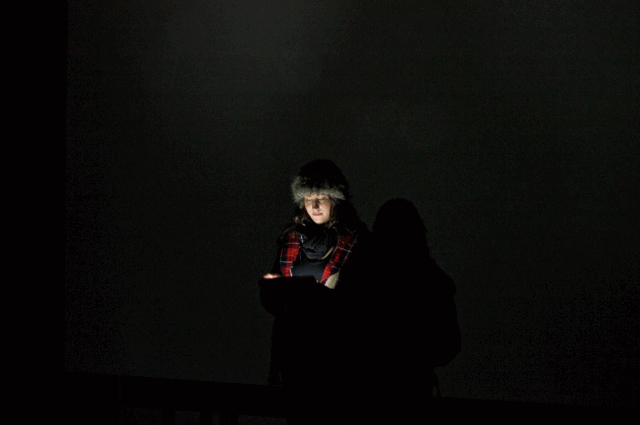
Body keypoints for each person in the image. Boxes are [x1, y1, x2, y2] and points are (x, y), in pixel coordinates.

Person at [259, 159, 371, 425]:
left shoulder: (358, 242)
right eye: (309, 198)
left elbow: (362, 303)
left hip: (338, 364)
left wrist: (320, 299)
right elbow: (273, 301)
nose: (315, 205)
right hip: (294, 359)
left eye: (322, 197)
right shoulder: (291, 240)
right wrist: (273, 289)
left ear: (336, 199)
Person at [355, 198, 461, 423]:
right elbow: (448, 346)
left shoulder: (368, 278)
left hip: (379, 395)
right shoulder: (432, 280)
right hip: (409, 395)